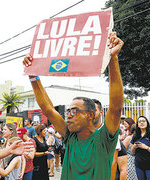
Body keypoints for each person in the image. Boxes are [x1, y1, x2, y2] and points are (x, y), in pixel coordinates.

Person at [23, 32, 124, 180]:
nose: (68, 115)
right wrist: (33, 76)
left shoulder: (104, 138)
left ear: (90, 114)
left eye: (74, 111)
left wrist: (113, 59)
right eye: (68, 111)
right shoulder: (70, 137)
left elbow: (115, 108)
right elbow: (48, 110)